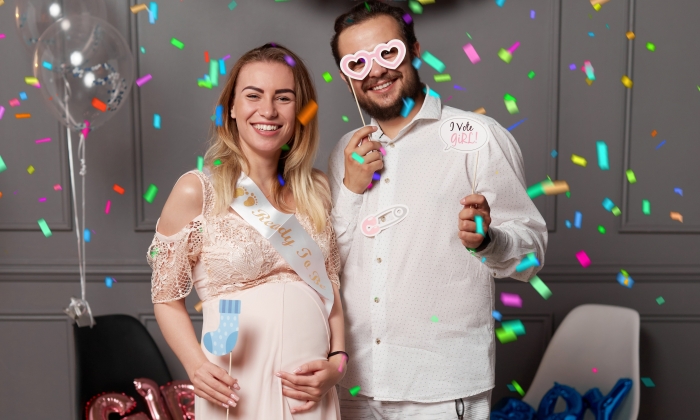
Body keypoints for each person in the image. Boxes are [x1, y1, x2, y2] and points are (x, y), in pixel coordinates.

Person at [324, 1, 547, 418]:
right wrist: (352, 192)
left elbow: (532, 253)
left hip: (440, 389)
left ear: (413, 48)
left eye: (387, 52)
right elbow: (329, 262)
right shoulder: (345, 151)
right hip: (352, 382)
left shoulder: (478, 137)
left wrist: (488, 240)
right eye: (357, 63)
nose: (375, 71)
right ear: (346, 76)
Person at [147, 44, 346, 419]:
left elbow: (330, 287)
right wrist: (195, 367)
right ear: (232, 108)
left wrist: (337, 364)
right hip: (237, 393)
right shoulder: (196, 191)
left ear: (300, 112)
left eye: (283, 98)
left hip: (311, 395)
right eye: (253, 95)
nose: (268, 111)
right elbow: (166, 298)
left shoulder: (316, 190)